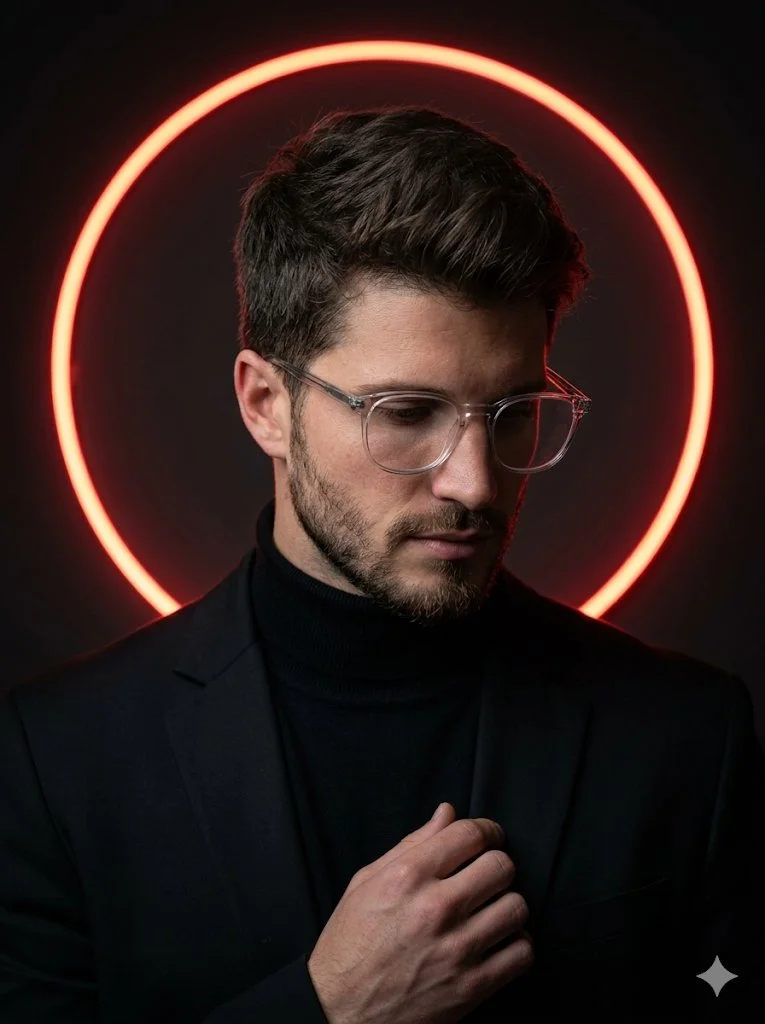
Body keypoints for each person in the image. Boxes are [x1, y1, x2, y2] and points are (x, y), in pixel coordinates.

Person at [1, 105, 763, 1024]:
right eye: (406, 413)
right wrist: (329, 1010)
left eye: (514, 411)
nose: (474, 484)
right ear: (264, 404)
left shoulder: (684, 737)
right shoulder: (54, 762)